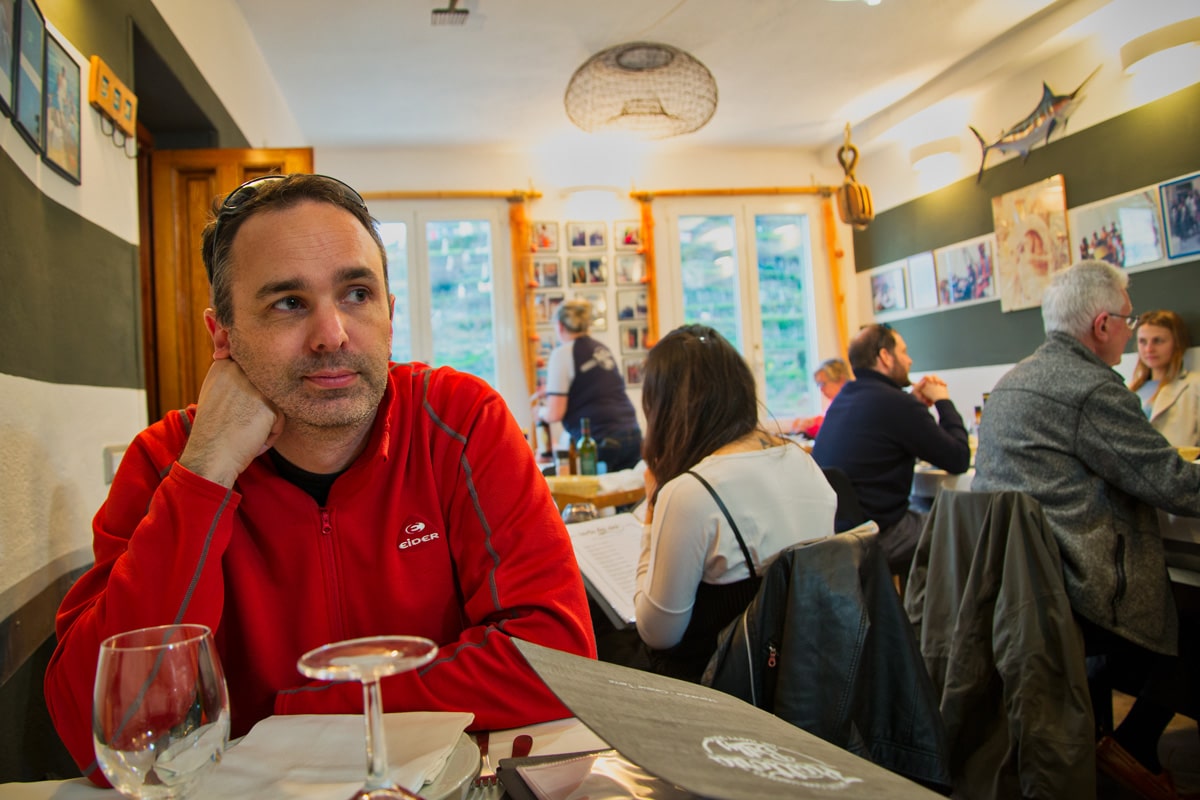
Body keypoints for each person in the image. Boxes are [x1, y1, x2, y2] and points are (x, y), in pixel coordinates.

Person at [44, 174, 596, 784]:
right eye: (288, 303)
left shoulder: (460, 421)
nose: (331, 334)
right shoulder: (168, 461)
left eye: (357, 293)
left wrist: (298, 716)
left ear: (391, 311)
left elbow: (556, 657)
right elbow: (104, 738)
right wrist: (206, 475)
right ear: (222, 336)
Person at [973, 260, 1200, 794]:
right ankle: (1133, 749)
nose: (1131, 329)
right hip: (1077, 583)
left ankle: (1100, 740)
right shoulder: (1093, 389)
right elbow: (1173, 484)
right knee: (1195, 626)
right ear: (1102, 325)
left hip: (1025, 586)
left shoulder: (1013, 380)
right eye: (1128, 318)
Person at [633, 325, 836, 682]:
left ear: (664, 409)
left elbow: (658, 633)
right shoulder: (802, 460)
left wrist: (653, 510)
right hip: (810, 674)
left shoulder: (689, 493)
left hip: (725, 691)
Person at [812, 324, 970, 575]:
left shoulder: (845, 398)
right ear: (885, 356)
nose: (909, 360)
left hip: (838, 537)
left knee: (923, 507)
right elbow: (959, 458)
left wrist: (912, 402)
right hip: (879, 536)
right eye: (904, 352)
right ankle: (939, 613)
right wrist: (943, 400)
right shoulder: (898, 405)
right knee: (963, 529)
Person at [534, 298, 642, 472]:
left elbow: (555, 413)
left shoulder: (562, 353)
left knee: (549, 477)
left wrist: (540, 412)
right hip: (633, 436)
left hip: (601, 443)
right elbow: (594, 389)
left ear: (560, 326)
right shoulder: (600, 348)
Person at [1129, 309, 1200, 447]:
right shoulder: (1129, 389)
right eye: (1143, 341)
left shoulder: (1194, 385)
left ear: (1177, 343)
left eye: (1158, 341)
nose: (1149, 349)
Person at [788, 356, 850, 439]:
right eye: (819, 385)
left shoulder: (849, 403)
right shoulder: (834, 402)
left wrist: (809, 426)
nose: (821, 389)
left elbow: (831, 428)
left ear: (841, 380)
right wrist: (810, 423)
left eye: (823, 384)